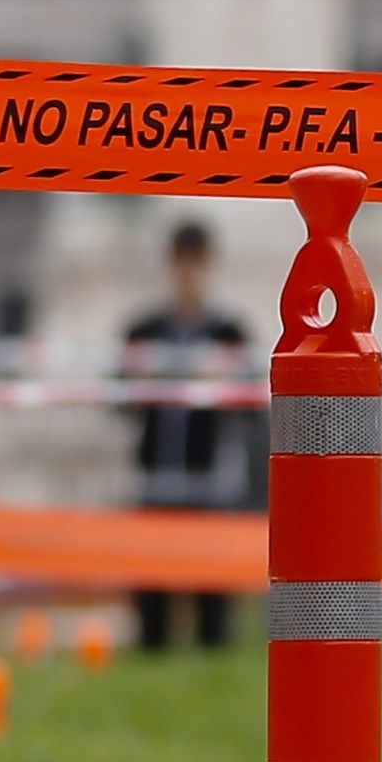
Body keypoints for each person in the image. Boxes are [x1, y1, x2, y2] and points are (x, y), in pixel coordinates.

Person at [120, 221, 256, 650]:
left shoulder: (229, 333)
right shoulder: (144, 331)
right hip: (156, 476)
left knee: (211, 595)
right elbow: (119, 401)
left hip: (211, 480)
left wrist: (223, 378)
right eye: (181, 263)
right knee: (152, 593)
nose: (188, 273)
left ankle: (213, 656)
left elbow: (254, 404)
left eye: (195, 263)